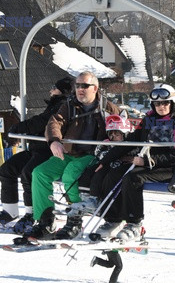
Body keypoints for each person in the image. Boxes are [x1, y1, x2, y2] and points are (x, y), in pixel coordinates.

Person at [22, 71, 119, 241]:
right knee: (39, 173)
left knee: (71, 174)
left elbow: (119, 129)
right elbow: (55, 122)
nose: (80, 89)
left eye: (84, 86)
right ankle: (46, 222)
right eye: (78, 86)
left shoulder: (107, 108)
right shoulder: (69, 106)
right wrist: (54, 141)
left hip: (92, 154)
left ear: (95, 88)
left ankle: (74, 221)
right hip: (70, 151)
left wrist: (113, 141)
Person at [0, 77, 72, 233]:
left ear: (62, 90)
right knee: (6, 170)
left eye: (53, 87)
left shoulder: (63, 105)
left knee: (29, 173)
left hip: (48, 151)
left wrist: (20, 127)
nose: (50, 90)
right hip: (36, 149)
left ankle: (33, 214)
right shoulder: (55, 104)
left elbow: (43, 122)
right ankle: (9, 211)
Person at [97, 84, 175, 243]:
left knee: (133, 178)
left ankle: (134, 223)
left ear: (172, 103)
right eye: (157, 104)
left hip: (167, 168)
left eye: (165, 103)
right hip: (146, 163)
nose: (161, 107)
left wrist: (146, 161)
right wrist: (106, 161)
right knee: (115, 173)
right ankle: (113, 219)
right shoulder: (148, 120)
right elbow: (131, 142)